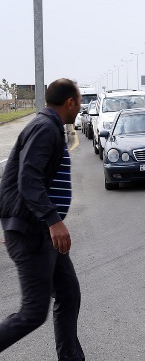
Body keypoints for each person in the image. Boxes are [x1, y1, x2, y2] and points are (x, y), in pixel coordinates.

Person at [0, 79, 84, 360]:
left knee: (68, 293)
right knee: (33, 312)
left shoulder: (50, 127)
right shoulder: (45, 128)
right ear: (69, 102)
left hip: (41, 231)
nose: (81, 106)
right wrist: (53, 221)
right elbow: (28, 180)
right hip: (34, 232)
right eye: (80, 100)